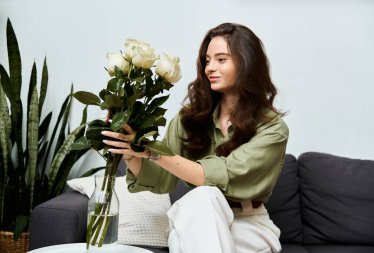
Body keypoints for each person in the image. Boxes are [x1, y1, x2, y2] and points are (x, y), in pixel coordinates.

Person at [102, 22, 289, 253]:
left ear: (247, 63)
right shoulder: (188, 119)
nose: (210, 67)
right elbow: (162, 179)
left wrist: (150, 151)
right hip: (196, 220)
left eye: (221, 59)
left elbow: (216, 175)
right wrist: (131, 153)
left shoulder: (272, 128)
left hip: (249, 225)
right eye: (207, 60)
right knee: (202, 200)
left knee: (204, 197)